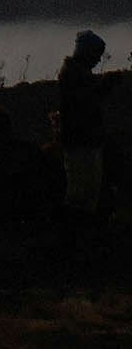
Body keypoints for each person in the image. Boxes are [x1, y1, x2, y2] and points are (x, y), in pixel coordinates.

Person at [58, 30, 109, 218]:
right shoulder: (74, 75)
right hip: (80, 141)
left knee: (87, 189)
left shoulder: (75, 73)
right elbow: (84, 104)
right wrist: (104, 87)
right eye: (96, 55)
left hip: (84, 139)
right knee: (81, 191)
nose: (97, 60)